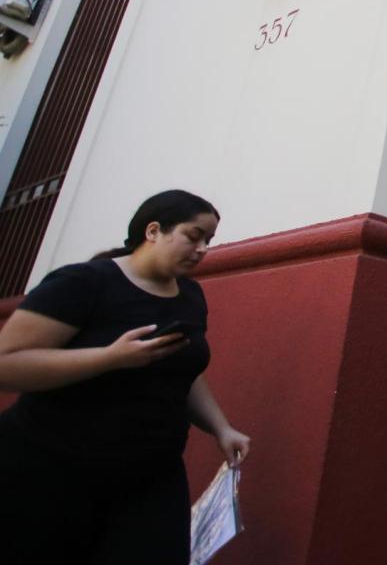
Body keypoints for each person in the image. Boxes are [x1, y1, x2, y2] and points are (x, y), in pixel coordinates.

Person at [0, 189, 251, 564]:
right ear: (154, 231)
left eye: (209, 240)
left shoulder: (190, 296)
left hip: (151, 473)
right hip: (52, 467)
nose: (202, 249)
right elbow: (6, 364)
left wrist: (221, 427)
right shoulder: (83, 282)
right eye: (193, 235)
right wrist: (109, 358)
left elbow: (180, 369)